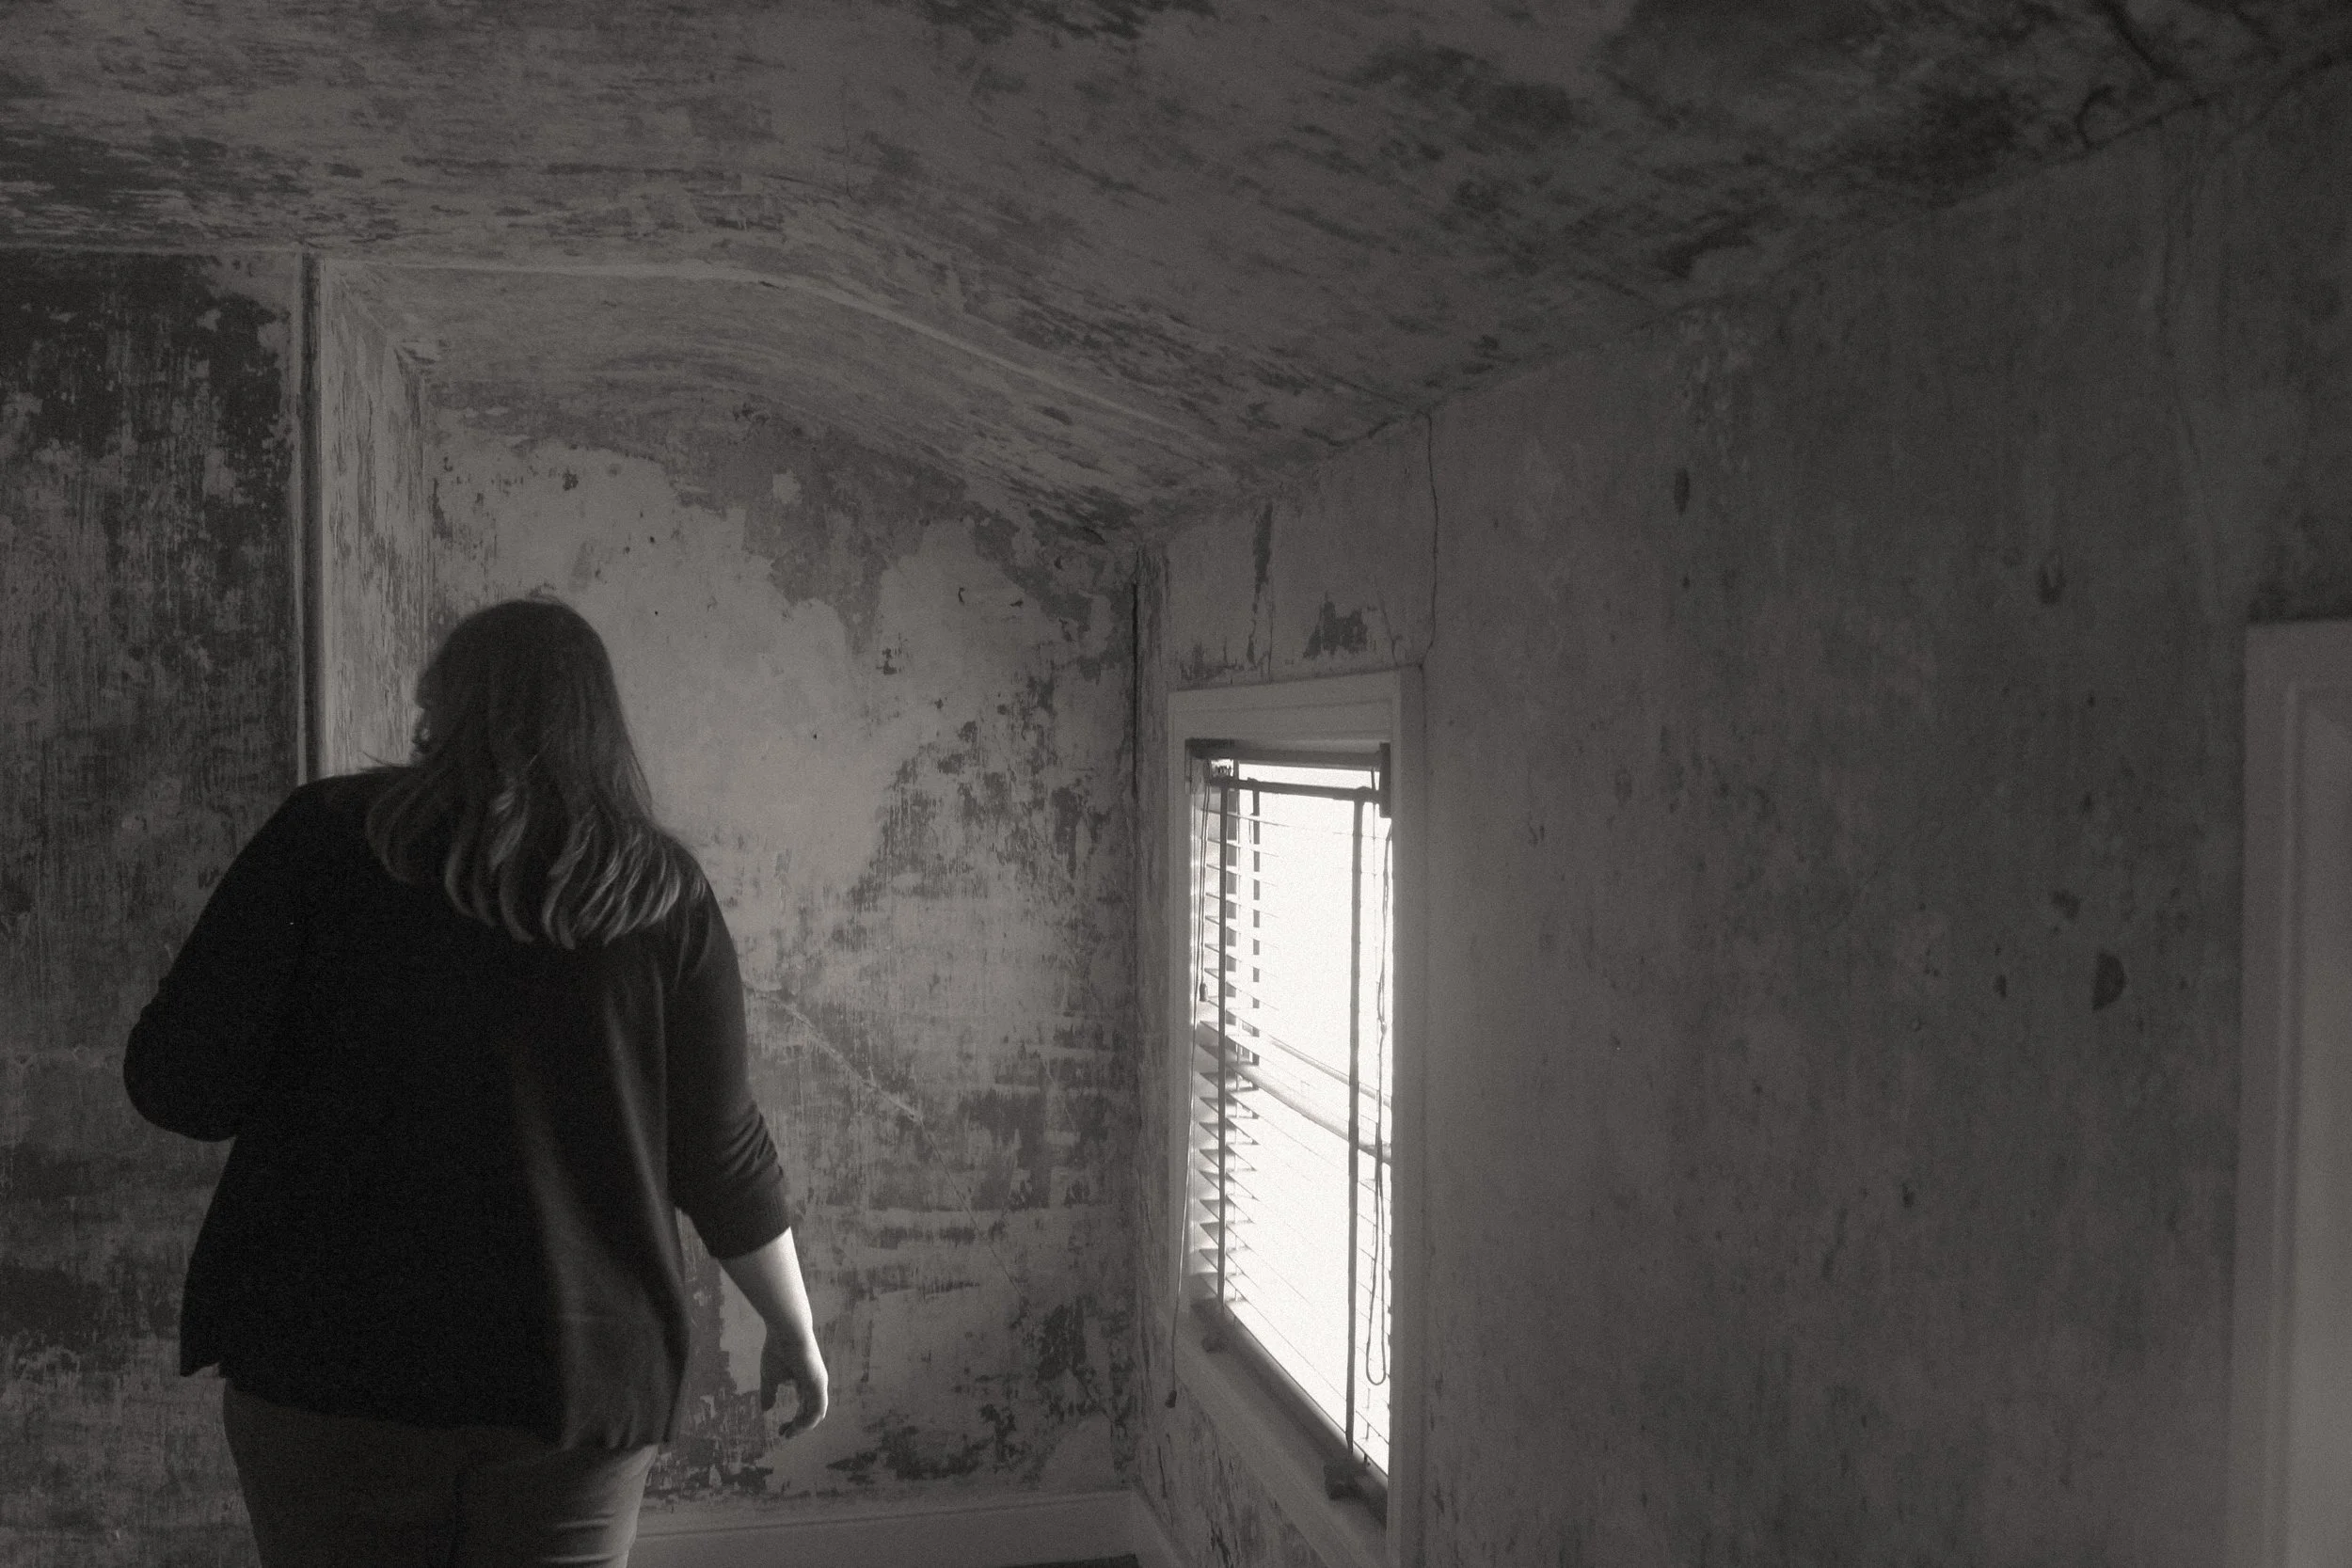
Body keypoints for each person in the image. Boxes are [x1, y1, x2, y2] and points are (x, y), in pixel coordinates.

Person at [123, 597, 827, 1567]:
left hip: (327, 1351)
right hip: (577, 1374)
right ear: (599, 721)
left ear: (438, 704)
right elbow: (720, 1150)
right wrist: (792, 1326)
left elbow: (180, 1086)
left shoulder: (323, 838)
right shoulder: (661, 894)